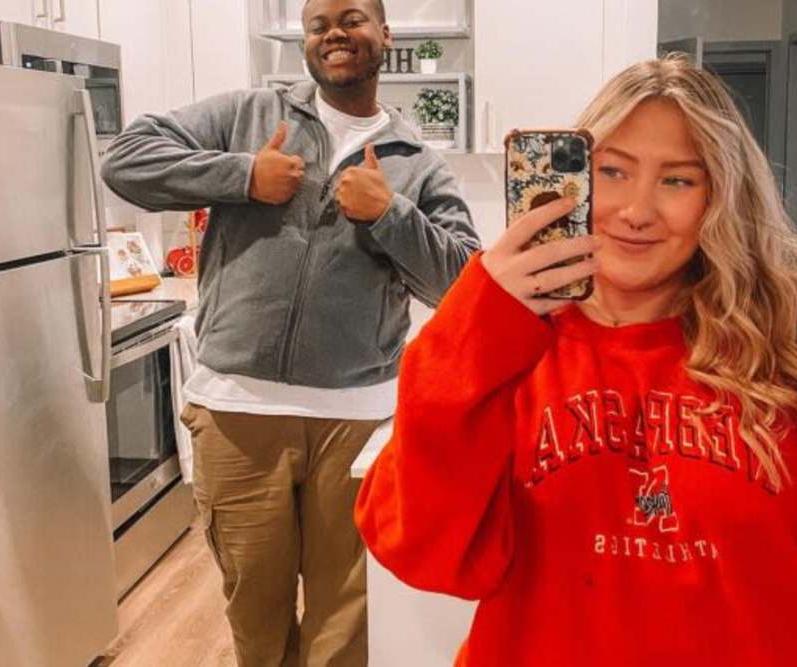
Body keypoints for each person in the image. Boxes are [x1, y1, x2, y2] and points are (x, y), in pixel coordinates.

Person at [354, 55, 797, 666]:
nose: (637, 210)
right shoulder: (500, 343)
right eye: (612, 171)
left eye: (677, 180)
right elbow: (424, 555)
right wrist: (471, 333)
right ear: (575, 178)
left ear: (720, 196)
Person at [101, 0, 480, 664]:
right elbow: (126, 159)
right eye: (318, 23)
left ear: (383, 34)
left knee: (346, 622)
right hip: (238, 413)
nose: (335, 31)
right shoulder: (247, 116)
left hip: (357, 424)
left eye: (353, 17)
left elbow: (462, 284)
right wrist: (242, 175)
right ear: (305, 41)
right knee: (256, 616)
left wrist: (388, 212)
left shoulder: (417, 161)